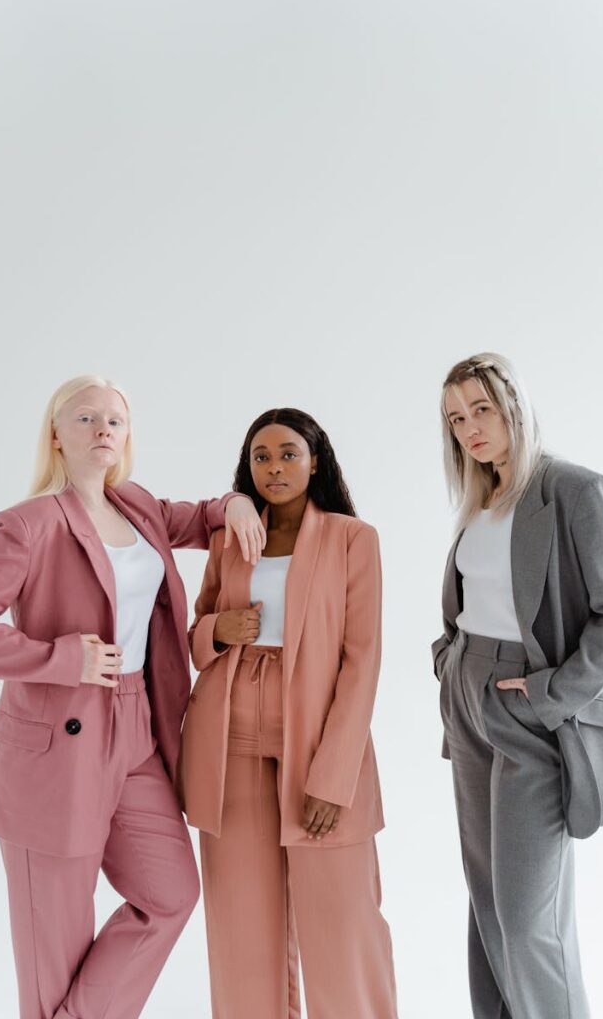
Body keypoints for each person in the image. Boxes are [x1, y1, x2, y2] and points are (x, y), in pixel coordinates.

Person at [0, 374, 265, 1019]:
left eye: (115, 421)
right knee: (56, 945)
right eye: (86, 418)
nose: (103, 429)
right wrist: (60, 660)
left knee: (170, 894)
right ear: (56, 435)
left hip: (137, 728)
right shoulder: (30, 523)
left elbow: (202, 517)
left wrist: (236, 501)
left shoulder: (138, 507)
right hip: (55, 743)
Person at [432, 352, 603, 1019]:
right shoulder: (480, 500)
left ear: (514, 406)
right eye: (455, 418)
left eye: (481, 409)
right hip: (468, 699)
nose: (469, 428)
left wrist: (553, 695)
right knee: (489, 907)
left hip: (530, 704)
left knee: (528, 921)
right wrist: (447, 662)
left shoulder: (576, 491)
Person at [178, 407, 398, 1019]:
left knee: (342, 924)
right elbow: (195, 637)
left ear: (315, 461)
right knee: (241, 929)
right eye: (262, 456)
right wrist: (218, 630)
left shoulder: (353, 539)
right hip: (229, 738)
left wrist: (334, 777)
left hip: (318, 740)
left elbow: (362, 662)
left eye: (288, 454)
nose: (274, 467)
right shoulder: (229, 541)